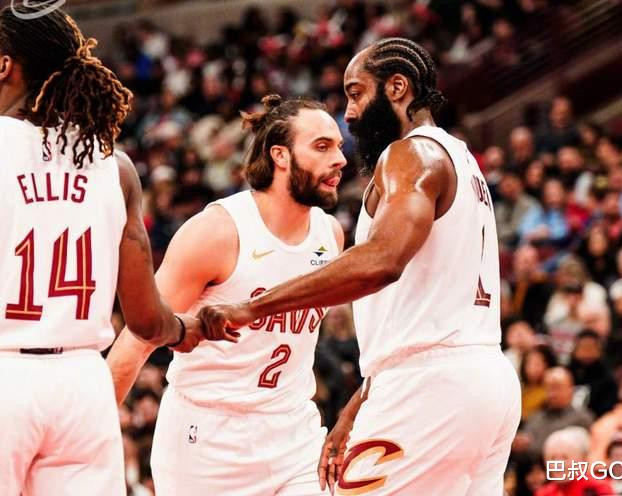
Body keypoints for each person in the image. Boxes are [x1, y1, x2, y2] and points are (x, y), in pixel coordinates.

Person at [199, 37, 521, 495]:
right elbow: (419, 313)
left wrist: (253, 307)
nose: (348, 114)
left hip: (430, 389)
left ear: (396, 87)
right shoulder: (462, 158)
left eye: (356, 94)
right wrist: (360, 402)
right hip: (483, 380)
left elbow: (382, 261)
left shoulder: (409, 155)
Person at [0, 5, 204, 496]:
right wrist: (184, 329)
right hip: (82, 385)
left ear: (4, 65)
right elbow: (146, 321)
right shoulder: (116, 166)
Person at [107, 94, 346, 495]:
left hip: (294, 433)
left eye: (338, 146)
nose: (339, 158)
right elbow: (138, 338)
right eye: (322, 147)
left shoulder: (330, 234)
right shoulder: (217, 231)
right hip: (207, 441)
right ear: (280, 156)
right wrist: (88, 432)